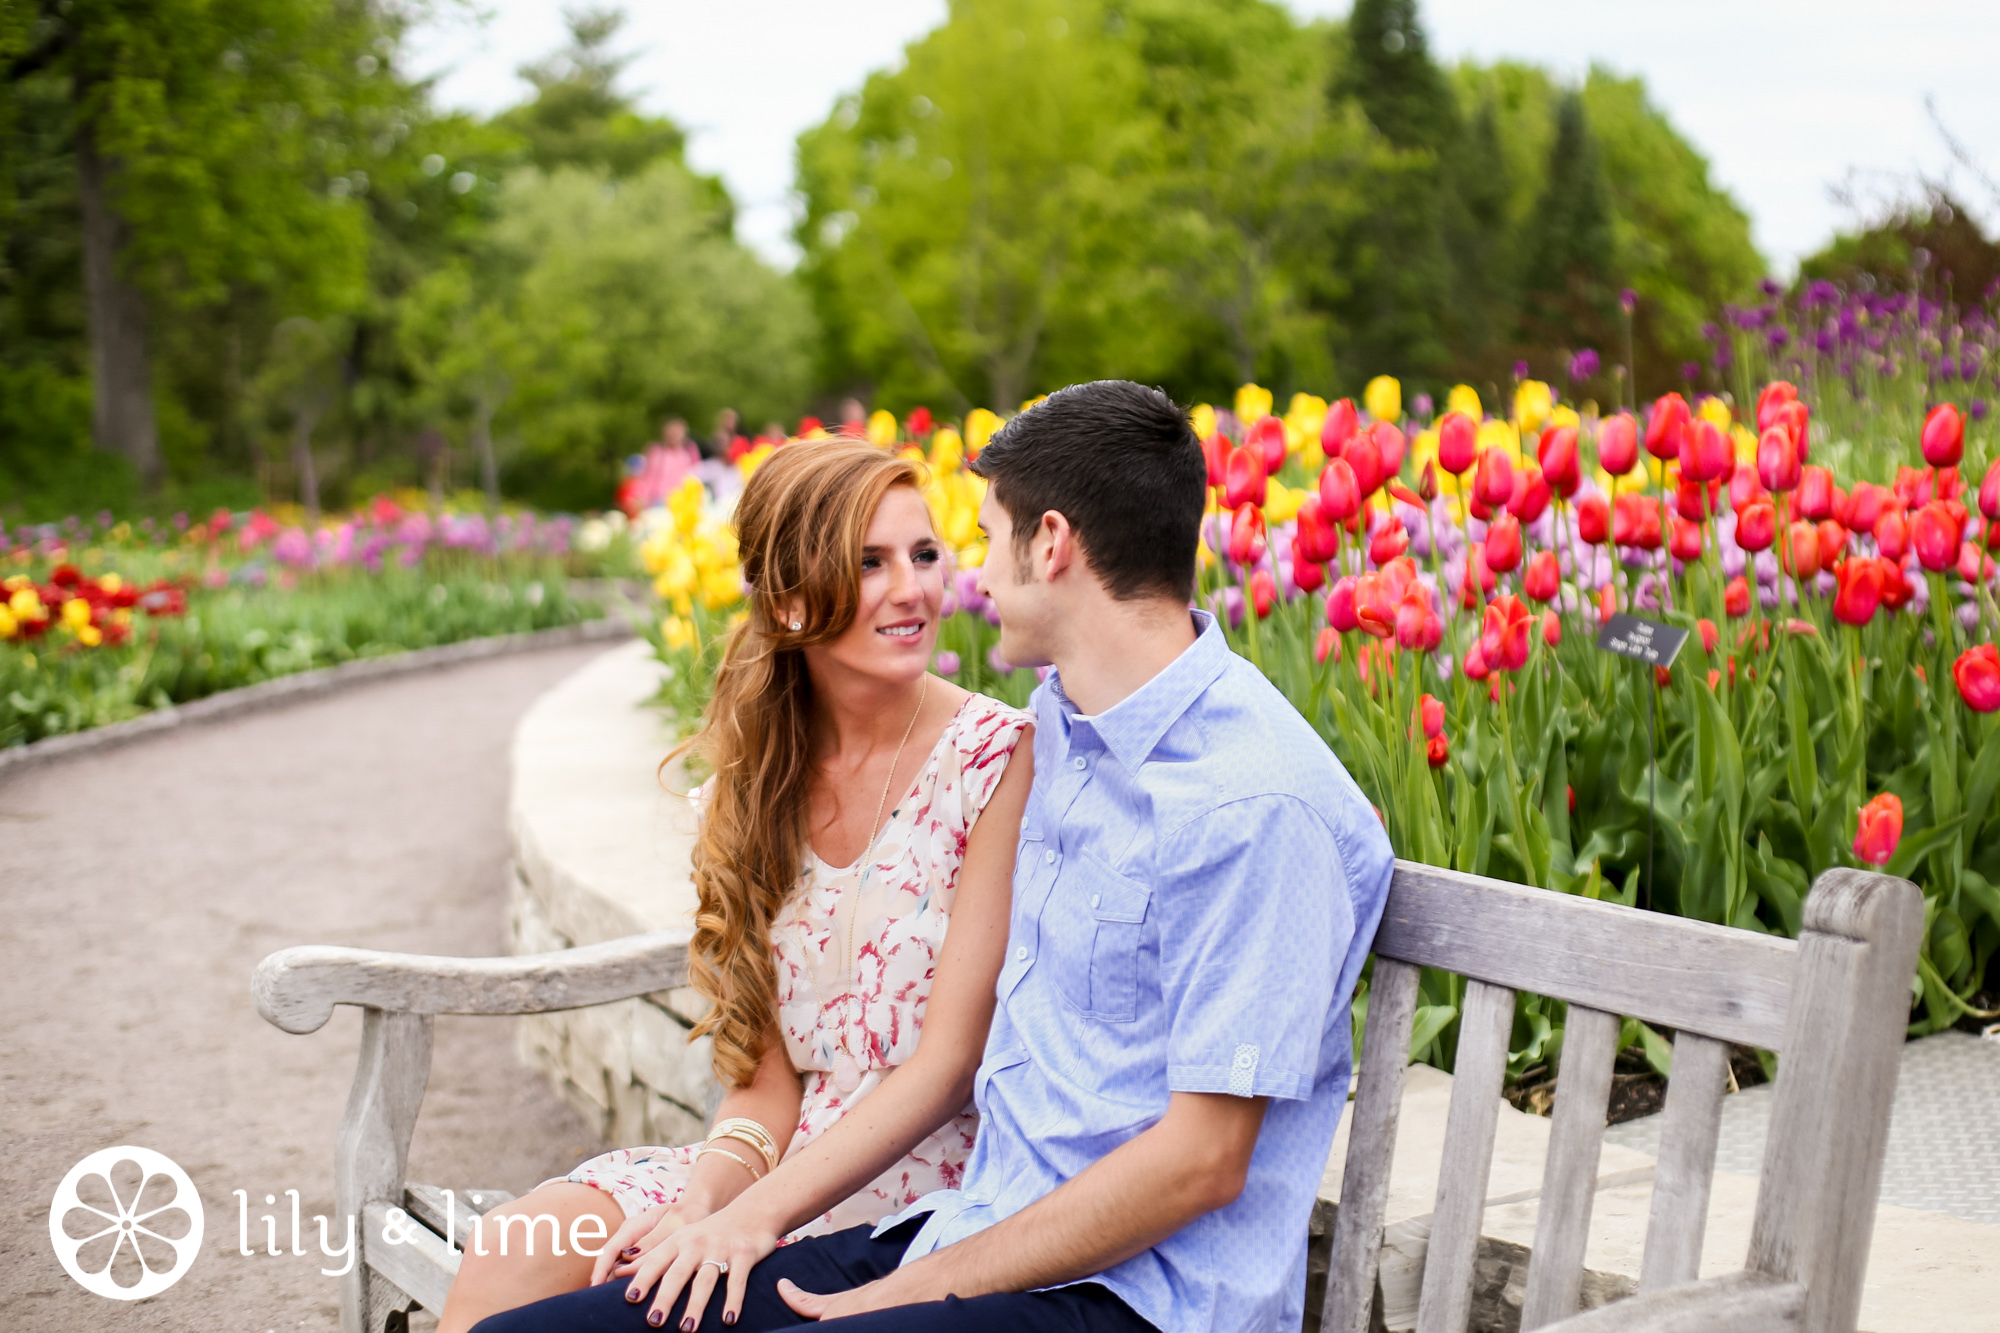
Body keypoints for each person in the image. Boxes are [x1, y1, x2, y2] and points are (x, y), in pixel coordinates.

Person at [474, 380, 1394, 1333]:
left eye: (981, 541)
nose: (969, 579)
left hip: (1133, 1298)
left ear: (1049, 543)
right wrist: (770, 1219)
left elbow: (1201, 1162)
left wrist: (906, 1291)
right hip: (966, 1224)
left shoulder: (1252, 805)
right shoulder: (1069, 730)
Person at [440, 437, 1035, 1332]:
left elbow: (948, 1070)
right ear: (790, 600)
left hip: (916, 1186)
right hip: (767, 1163)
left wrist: (745, 1222)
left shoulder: (996, 761)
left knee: (653, 1300)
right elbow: (763, 1086)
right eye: (869, 563)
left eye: (923, 553)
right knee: (511, 1245)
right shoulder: (749, 790)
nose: (913, 588)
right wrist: (700, 1205)